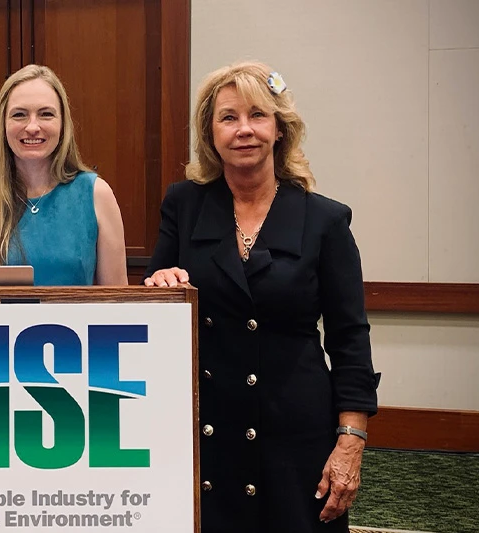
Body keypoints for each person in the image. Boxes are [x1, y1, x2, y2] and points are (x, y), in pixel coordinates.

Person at [144, 61, 378, 532]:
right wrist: (159, 285)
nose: (244, 129)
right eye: (228, 117)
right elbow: (157, 295)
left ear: (280, 129)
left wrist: (350, 440)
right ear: (210, 133)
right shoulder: (183, 205)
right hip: (207, 423)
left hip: (294, 427)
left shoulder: (325, 220)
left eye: (258, 115)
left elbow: (350, 337)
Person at [0, 64, 127, 285]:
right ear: (3, 124)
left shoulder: (97, 195)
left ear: (63, 124)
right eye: (20, 115)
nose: (32, 126)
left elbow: (117, 305)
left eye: (46, 114)